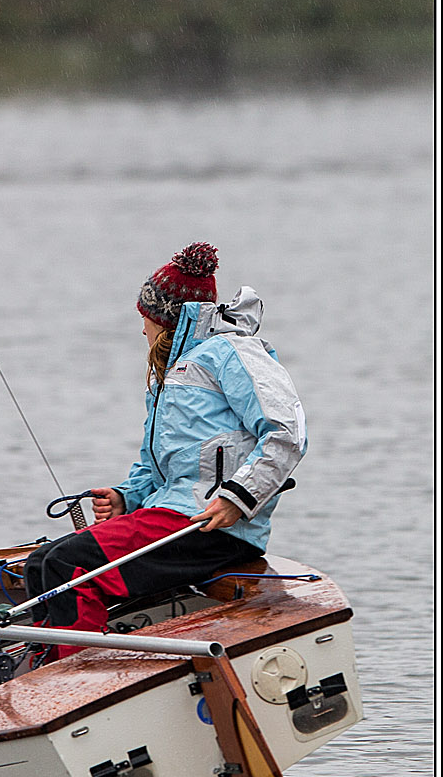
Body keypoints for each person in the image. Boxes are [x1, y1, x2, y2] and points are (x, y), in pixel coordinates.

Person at [24, 242, 307, 639]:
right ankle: (48, 663)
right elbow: (157, 463)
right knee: (40, 563)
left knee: (68, 567)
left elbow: (287, 432)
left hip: (211, 528)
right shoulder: (171, 373)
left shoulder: (233, 352)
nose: (141, 327)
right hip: (172, 516)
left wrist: (236, 499)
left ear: (165, 318)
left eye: (145, 317)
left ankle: (72, 678)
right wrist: (128, 497)